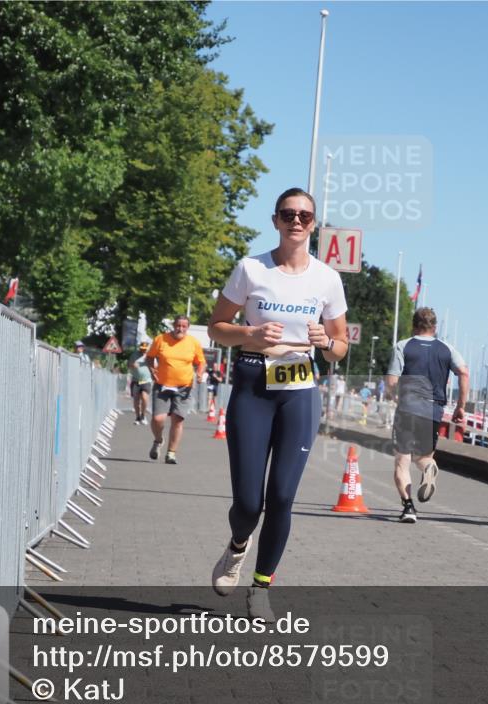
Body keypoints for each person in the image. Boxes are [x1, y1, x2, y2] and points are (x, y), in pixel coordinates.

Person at [207, 187, 348, 622]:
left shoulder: (327, 278)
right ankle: (237, 545)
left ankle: (261, 587)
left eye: (305, 216)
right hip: (252, 384)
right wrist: (249, 335)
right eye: (288, 214)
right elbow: (216, 328)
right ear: (275, 220)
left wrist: (327, 342)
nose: (297, 221)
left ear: (314, 225)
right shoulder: (251, 269)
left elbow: (339, 346)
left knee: (283, 496)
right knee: (249, 503)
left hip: (300, 388)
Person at [386, 307, 469, 523]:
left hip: (407, 408)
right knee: (424, 458)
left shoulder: (403, 346)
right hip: (433, 409)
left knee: (402, 462)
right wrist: (461, 406)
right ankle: (429, 469)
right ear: (435, 328)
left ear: (414, 326)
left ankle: (408, 508)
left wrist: (393, 393)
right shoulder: (447, 349)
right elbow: (464, 372)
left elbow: (392, 381)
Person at [145, 315, 206, 465]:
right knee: (157, 419)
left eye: (184, 326)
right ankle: (158, 440)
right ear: (174, 325)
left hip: (184, 386)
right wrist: (152, 368)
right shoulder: (161, 339)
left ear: (188, 327)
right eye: (178, 325)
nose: (180, 328)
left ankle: (171, 453)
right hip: (162, 384)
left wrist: (199, 373)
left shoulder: (193, 343)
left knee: (177, 420)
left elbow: (201, 362)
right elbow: (149, 357)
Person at [129, 341, 153, 425]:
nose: (143, 351)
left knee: (144, 397)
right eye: (142, 349)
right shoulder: (134, 355)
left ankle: (143, 415)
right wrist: (132, 365)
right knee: (136, 400)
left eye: (145, 349)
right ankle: (137, 417)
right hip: (135, 380)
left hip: (146, 380)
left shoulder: (150, 356)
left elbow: (155, 366)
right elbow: (129, 365)